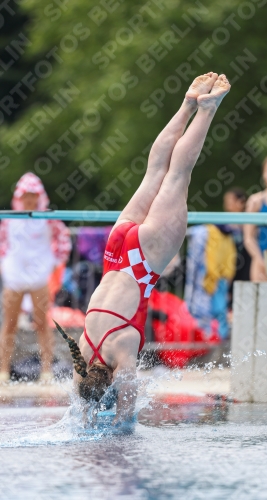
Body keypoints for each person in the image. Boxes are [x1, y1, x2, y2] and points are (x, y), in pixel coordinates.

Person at [55, 72, 231, 425]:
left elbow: (125, 418)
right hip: (116, 249)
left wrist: (111, 418)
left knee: (179, 174)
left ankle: (207, 109)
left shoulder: (120, 352)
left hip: (143, 263)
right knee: (154, 173)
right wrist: (87, 413)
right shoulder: (83, 354)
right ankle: (186, 104)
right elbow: (79, 403)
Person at [0, 173, 71, 381]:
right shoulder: (9, 219)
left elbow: (64, 237)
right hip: (14, 276)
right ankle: (3, 370)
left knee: (42, 323)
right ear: (20, 197)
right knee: (9, 324)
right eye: (26, 196)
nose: (29, 200)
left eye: (33, 196)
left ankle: (46, 370)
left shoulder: (48, 219)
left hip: (39, 275)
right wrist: (4, 264)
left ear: (38, 196)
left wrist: (56, 261)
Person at [223, 187, 251, 309]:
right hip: (229, 264)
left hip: (245, 265)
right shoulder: (223, 225)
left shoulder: (249, 223)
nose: (227, 204)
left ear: (241, 202)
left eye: (230, 200)